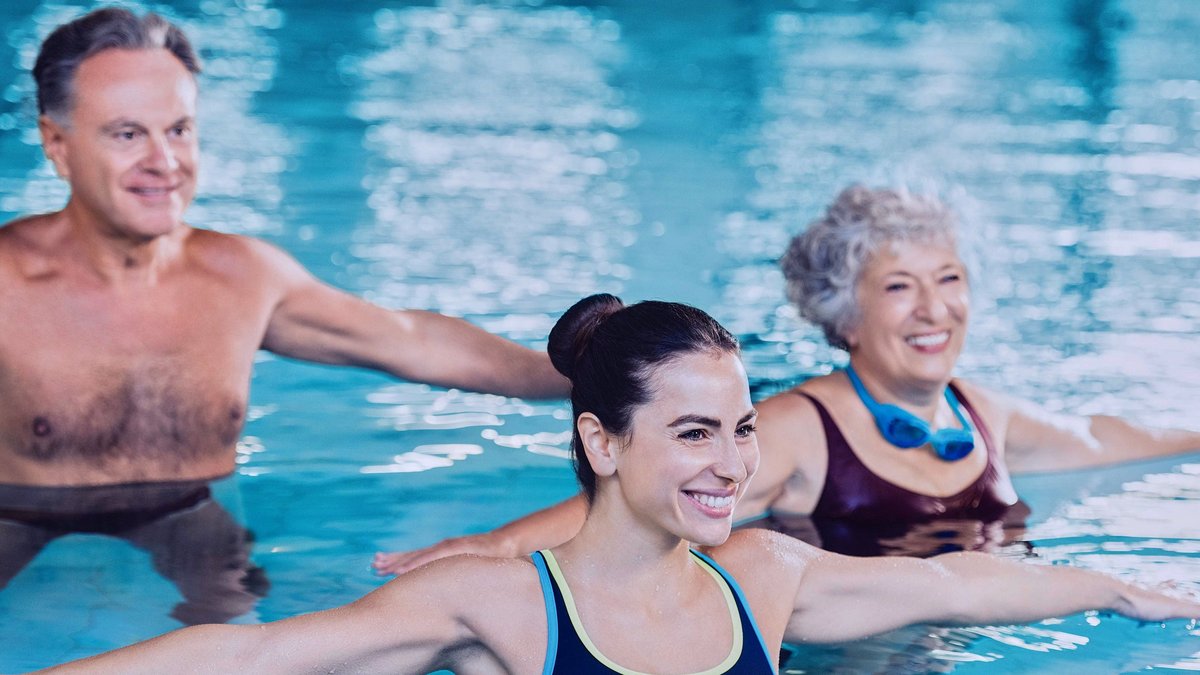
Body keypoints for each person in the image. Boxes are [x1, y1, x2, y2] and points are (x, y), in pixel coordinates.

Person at [38, 294, 1200, 674]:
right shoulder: (503, 608)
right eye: (692, 434)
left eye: (742, 429)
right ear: (602, 442)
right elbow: (247, 658)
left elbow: (972, 592)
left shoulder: (765, 577)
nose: (733, 464)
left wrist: (1128, 590)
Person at [0, 7, 566, 617]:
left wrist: (581, 371)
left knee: (273, 646)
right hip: (19, 514)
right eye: (127, 134)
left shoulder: (242, 277)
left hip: (189, 514)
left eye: (180, 130)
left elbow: (412, 340)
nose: (164, 163)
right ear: (56, 144)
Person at [375, 184, 1200, 573]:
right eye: (898, 286)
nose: (933, 310)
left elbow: (1104, 440)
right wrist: (485, 548)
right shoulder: (802, 426)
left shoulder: (979, 412)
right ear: (845, 315)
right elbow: (617, 503)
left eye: (949, 279)